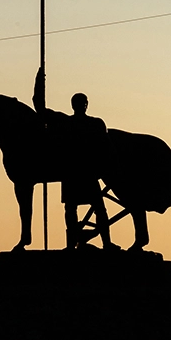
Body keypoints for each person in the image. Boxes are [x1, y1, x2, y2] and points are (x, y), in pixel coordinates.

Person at [32, 68, 116, 250]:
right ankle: (72, 245)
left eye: (83, 102)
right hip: (73, 174)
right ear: (74, 105)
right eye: (78, 102)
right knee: (72, 210)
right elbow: (39, 107)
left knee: (98, 209)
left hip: (88, 174)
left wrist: (101, 169)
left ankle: (106, 243)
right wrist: (40, 80)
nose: (81, 105)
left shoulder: (95, 123)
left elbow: (107, 148)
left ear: (87, 104)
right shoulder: (65, 122)